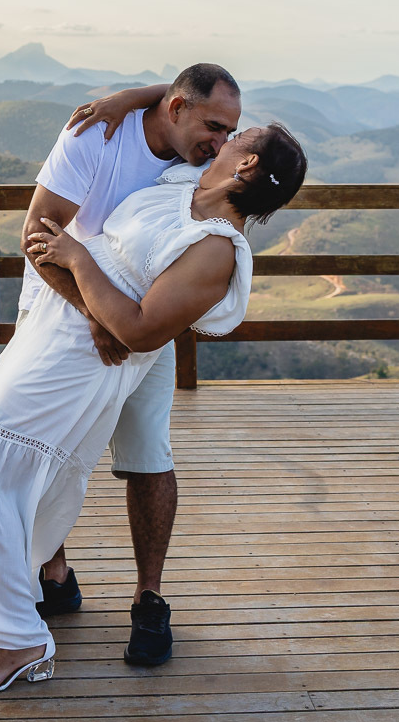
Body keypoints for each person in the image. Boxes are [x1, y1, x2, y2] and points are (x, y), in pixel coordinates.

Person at [0, 122, 307, 696]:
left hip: (81, 365)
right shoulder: (182, 184)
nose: (221, 138)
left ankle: (18, 639)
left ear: (246, 165)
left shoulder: (216, 249)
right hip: (46, 335)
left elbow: (140, 331)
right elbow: (170, 103)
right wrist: (118, 102)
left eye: (236, 136)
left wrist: (76, 258)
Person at [19, 63, 241, 666]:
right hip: (61, 312)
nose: (220, 143)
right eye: (213, 126)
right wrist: (93, 312)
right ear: (176, 109)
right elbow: (35, 235)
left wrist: (131, 94)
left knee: (149, 455)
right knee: (47, 451)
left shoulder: (204, 159)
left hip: (143, 327)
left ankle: (149, 598)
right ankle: (54, 574)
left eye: (229, 133)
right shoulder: (94, 139)